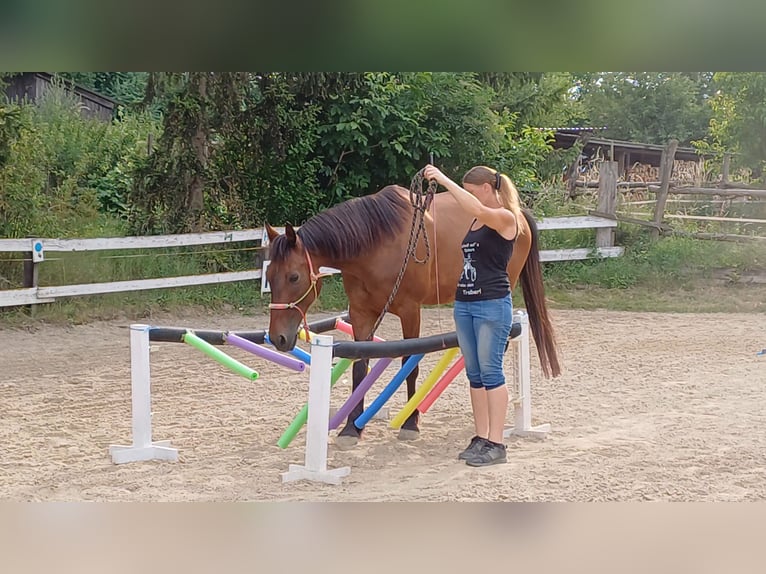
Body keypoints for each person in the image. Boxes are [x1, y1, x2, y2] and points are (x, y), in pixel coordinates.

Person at [423, 164, 521, 467]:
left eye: (470, 190)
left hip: (492, 303)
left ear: (487, 189)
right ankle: (481, 437)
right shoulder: (477, 221)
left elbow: (476, 207)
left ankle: (497, 442)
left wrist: (443, 180)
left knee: (491, 373)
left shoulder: (505, 218)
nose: (466, 196)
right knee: (475, 375)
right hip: (465, 303)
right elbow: (473, 209)